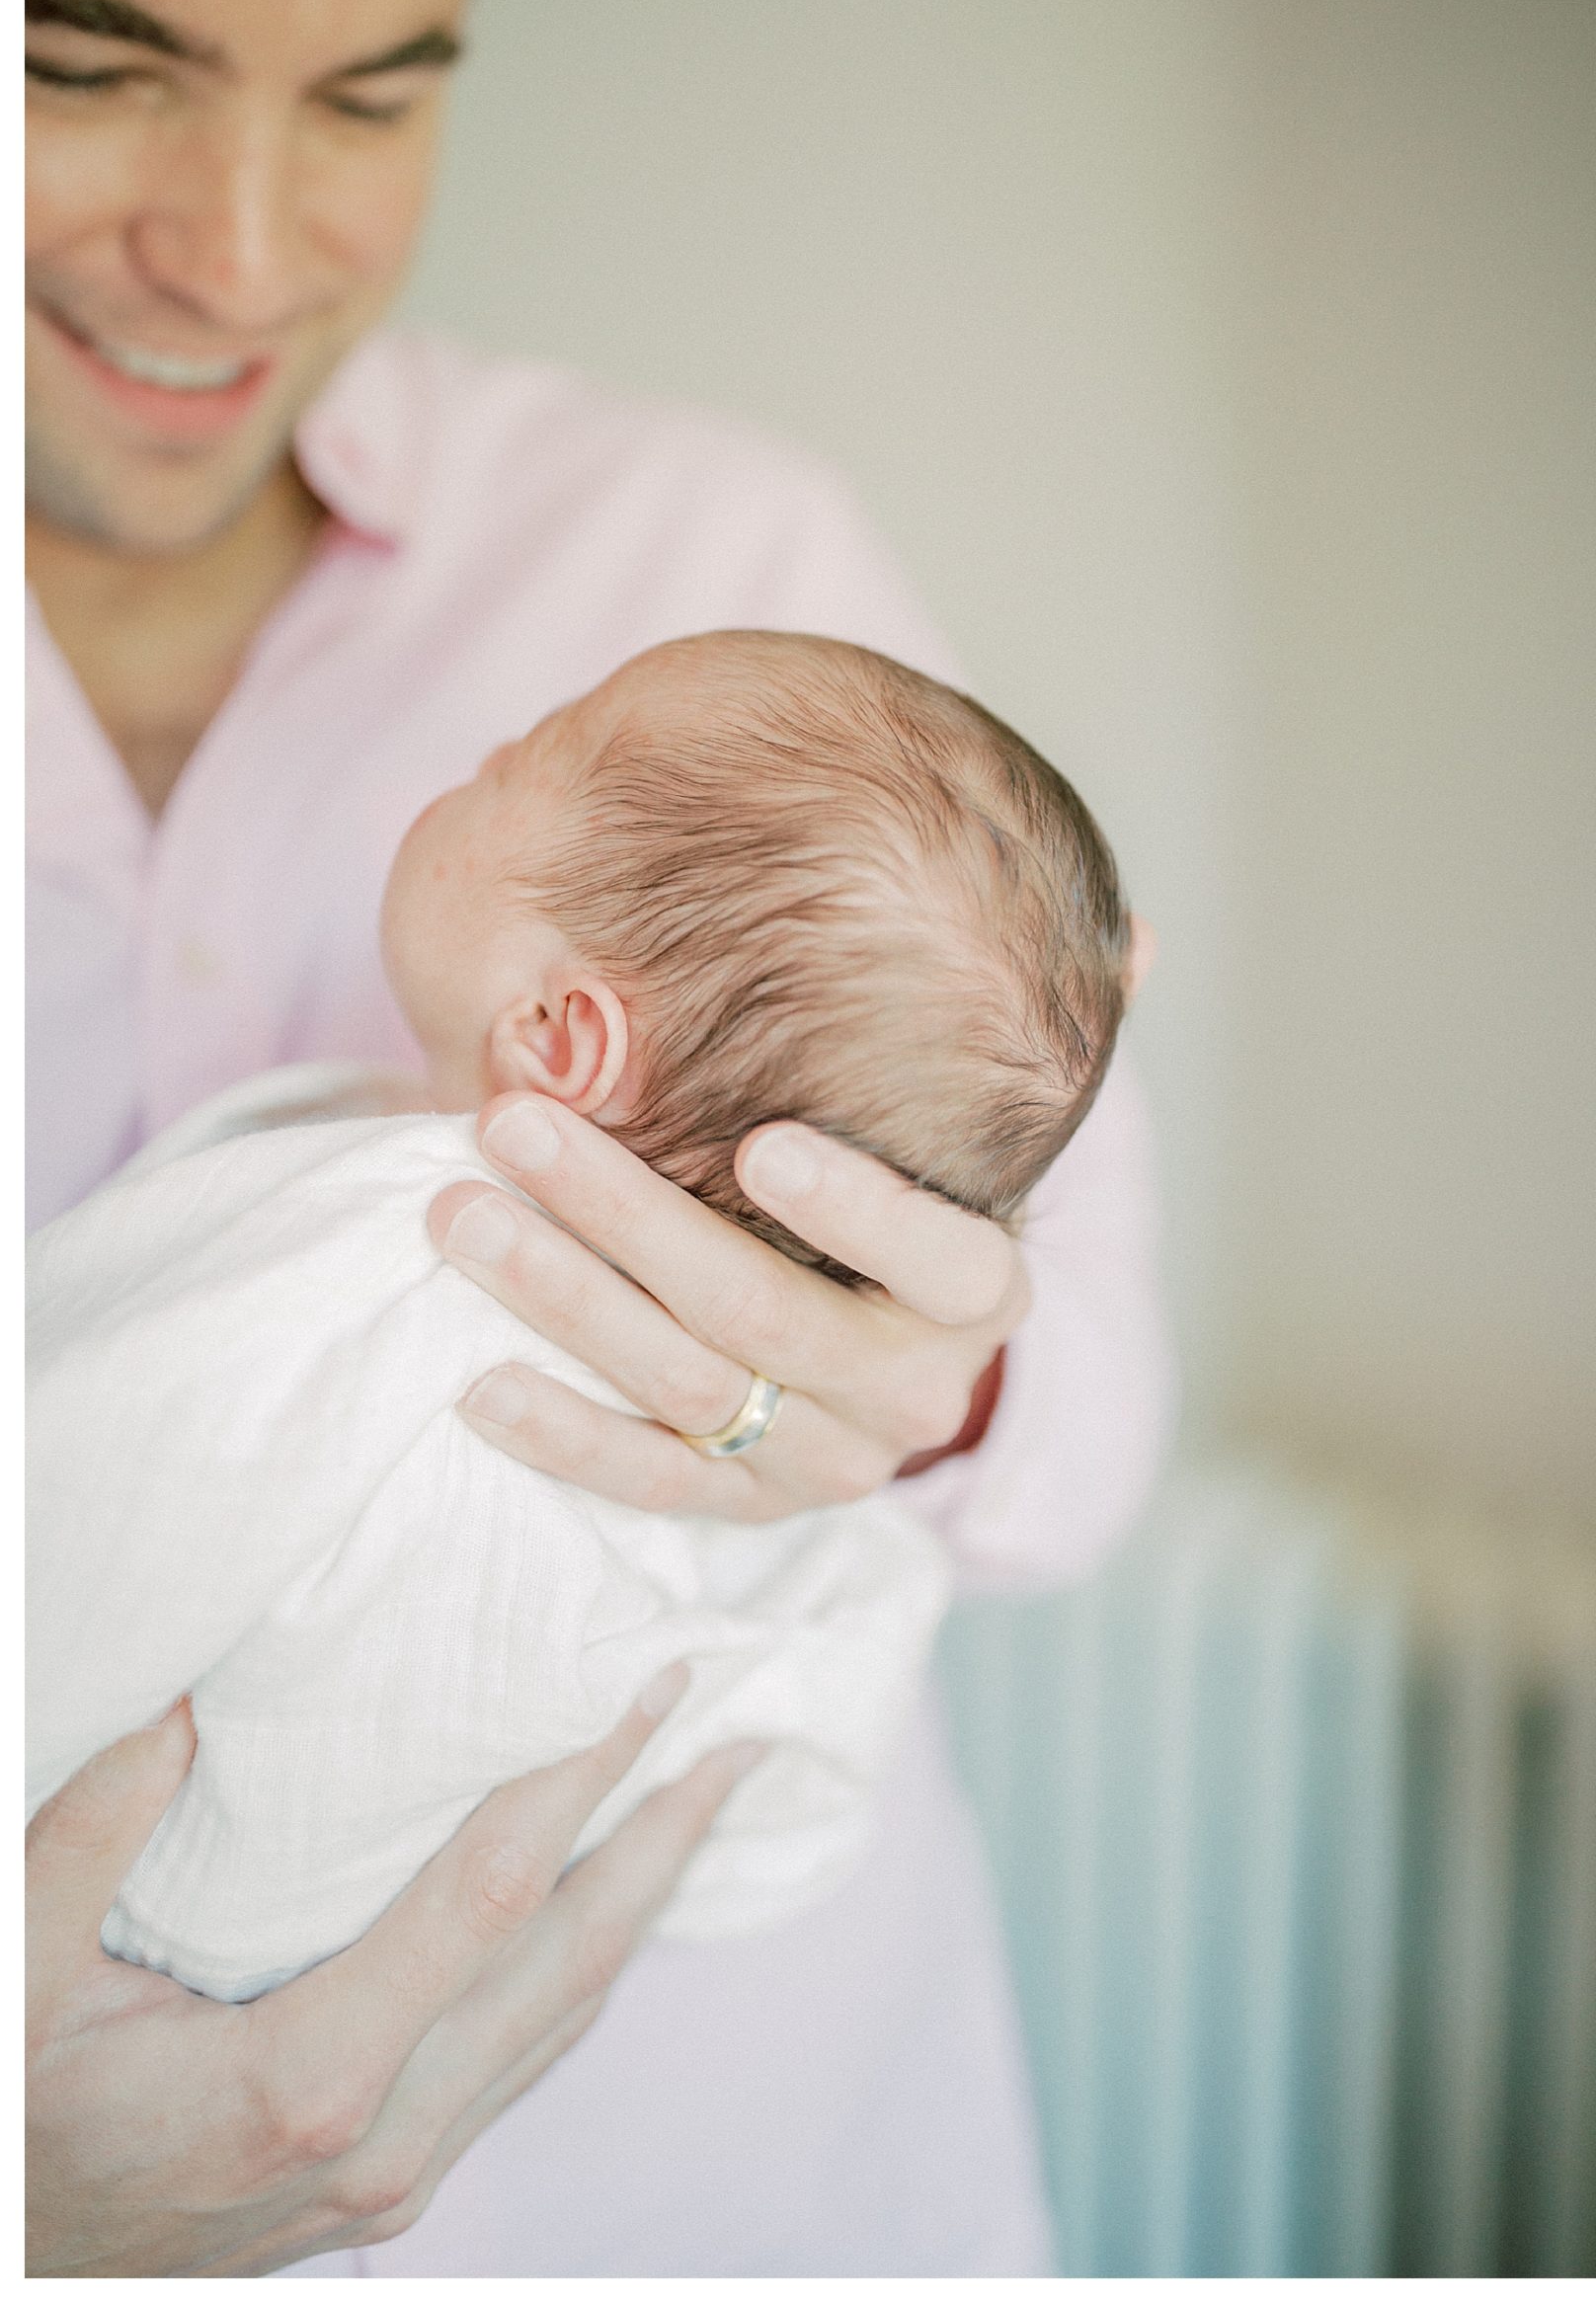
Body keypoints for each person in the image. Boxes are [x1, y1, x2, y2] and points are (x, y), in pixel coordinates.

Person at [25, 0, 1170, 2277]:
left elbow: (1078, 1438)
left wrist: (903, 1371)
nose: (231, 248)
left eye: (372, 92)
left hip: (719, 2205)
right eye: (72, 58)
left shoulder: (734, 589)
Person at [32, 627, 1150, 2008]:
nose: (477, 760)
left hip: (131, 1903)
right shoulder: (805, 1539)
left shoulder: (390, 1243)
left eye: (516, 761)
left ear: (560, 1036)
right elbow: (783, 1804)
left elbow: (78, 1490)